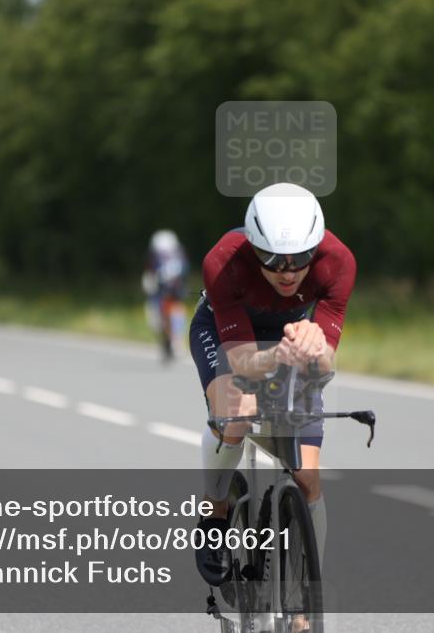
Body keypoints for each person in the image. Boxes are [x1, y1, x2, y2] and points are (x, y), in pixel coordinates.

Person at [189, 183, 356, 586]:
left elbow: (325, 368)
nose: (287, 272)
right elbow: (244, 360)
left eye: (300, 260)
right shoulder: (223, 261)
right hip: (227, 332)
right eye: (272, 259)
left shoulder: (338, 261)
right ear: (251, 246)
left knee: (307, 475)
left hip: (290, 337)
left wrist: (316, 348)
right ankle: (214, 515)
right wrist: (279, 355)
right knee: (238, 409)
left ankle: (307, 594)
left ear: (316, 247)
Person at [142, 229, 189, 362]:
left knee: (176, 316)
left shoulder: (179, 256)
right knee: (156, 321)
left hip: (174, 295)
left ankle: (177, 342)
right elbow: (149, 273)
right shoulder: (154, 257)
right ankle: (166, 343)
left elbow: (184, 273)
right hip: (158, 295)